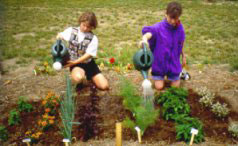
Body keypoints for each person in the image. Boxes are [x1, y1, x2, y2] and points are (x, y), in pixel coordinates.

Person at [57, 11, 109, 90]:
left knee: (104, 86)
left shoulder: (93, 38)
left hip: (89, 64)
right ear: (80, 21)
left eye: (88, 27)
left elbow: (88, 54)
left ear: (92, 27)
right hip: (76, 65)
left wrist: (75, 62)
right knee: (78, 78)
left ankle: (90, 77)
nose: (85, 28)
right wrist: (59, 40)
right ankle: (80, 80)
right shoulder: (71, 31)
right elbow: (60, 36)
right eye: (83, 25)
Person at [140, 1, 186, 91]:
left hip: (173, 62)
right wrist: (144, 39)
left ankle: (175, 75)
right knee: (159, 87)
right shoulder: (158, 27)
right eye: (171, 18)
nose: (173, 21)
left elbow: (181, 42)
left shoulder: (180, 28)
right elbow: (148, 34)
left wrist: (183, 55)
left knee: (175, 88)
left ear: (179, 16)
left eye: (175, 18)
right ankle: (160, 76)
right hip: (160, 63)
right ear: (166, 14)